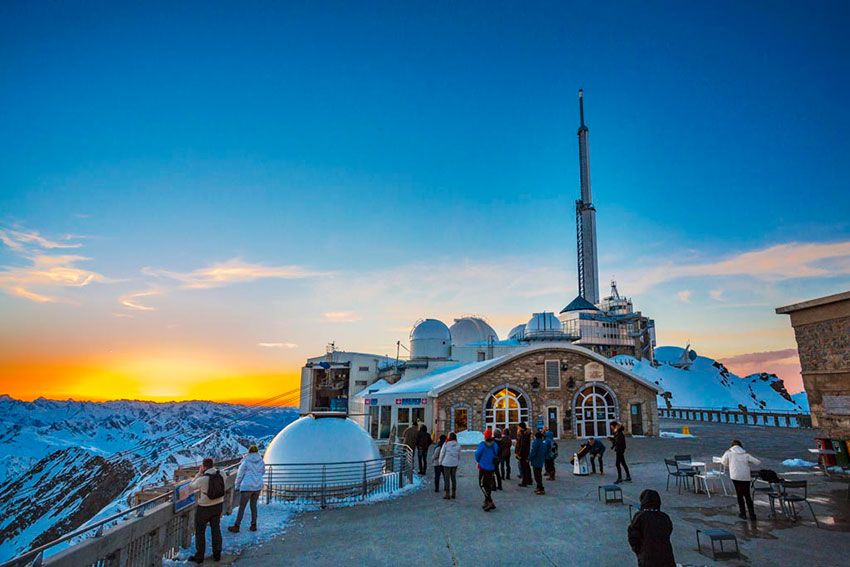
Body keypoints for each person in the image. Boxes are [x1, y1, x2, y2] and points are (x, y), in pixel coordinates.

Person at [627, 489, 676, 567]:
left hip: (647, 557)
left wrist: (639, 550)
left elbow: (633, 537)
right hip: (666, 556)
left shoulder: (640, 516)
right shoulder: (664, 517)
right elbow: (669, 531)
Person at [189, 458, 224, 563]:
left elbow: (192, 486)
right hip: (218, 505)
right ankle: (217, 554)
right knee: (216, 530)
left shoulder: (203, 479)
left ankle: (199, 556)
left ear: (203, 467)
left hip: (204, 507)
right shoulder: (221, 474)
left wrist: (199, 474)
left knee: (200, 532)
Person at [721, 439, 761, 520]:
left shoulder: (729, 453)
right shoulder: (745, 454)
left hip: (735, 476)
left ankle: (743, 514)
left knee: (739, 495)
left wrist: (730, 463)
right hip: (746, 477)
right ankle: (752, 515)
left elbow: (723, 462)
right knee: (747, 495)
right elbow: (757, 462)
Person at [228, 445, 265, 534]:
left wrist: (237, 486)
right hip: (257, 487)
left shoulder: (246, 461)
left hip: (247, 487)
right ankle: (253, 525)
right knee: (253, 506)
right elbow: (263, 472)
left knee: (242, 507)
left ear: (249, 451)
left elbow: (240, 475)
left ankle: (237, 526)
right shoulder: (261, 461)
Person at [475, 428, 500, 511]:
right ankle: (488, 501)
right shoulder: (494, 445)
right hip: (491, 467)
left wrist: (480, 461)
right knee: (488, 484)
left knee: (482, 484)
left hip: (483, 467)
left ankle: (489, 501)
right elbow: (497, 452)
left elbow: (477, 455)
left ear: (485, 436)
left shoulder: (482, 444)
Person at [439, 431, 460, 499]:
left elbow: (442, 453)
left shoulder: (446, 444)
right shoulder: (458, 445)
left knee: (447, 478)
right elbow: (459, 455)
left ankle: (447, 494)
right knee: (453, 478)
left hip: (446, 463)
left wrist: (440, 462)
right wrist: (457, 461)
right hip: (454, 464)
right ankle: (454, 493)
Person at [515, 422, 532, 487]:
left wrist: (519, 453)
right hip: (525, 452)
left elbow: (522, 445)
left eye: (518, 427)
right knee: (527, 466)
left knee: (524, 467)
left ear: (521, 427)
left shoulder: (523, 434)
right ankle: (529, 480)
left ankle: (524, 481)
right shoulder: (525, 434)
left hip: (523, 453)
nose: (518, 428)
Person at [529, 430, 546, 495]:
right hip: (540, 460)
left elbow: (533, 452)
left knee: (537, 475)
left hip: (536, 460)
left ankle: (541, 488)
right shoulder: (542, 442)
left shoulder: (535, 442)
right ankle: (539, 487)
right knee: (539, 474)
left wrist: (529, 458)